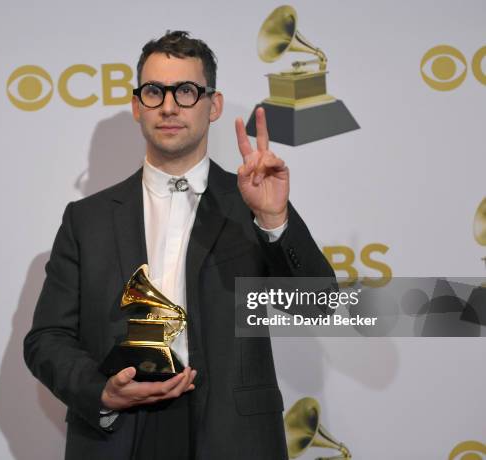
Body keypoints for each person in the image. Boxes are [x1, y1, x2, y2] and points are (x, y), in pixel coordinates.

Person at [23, 30, 335, 460]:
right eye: (154, 91)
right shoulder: (86, 219)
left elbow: (318, 308)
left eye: (186, 91)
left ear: (214, 105)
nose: (169, 106)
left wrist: (274, 220)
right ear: (137, 106)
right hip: (119, 437)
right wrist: (102, 392)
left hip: (233, 437)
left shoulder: (254, 202)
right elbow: (46, 338)